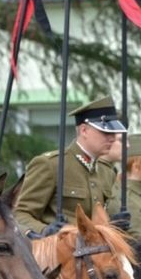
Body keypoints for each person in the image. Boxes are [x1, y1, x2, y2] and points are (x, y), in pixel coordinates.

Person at [14, 96, 125, 237]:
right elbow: (20, 213)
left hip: (95, 252)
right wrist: (45, 230)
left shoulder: (106, 171)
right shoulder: (51, 165)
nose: (112, 138)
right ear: (84, 130)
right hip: (60, 251)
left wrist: (113, 225)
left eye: (113, 133)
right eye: (105, 132)